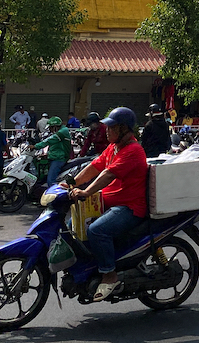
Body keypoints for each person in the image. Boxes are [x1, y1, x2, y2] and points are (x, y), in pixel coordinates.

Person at [61, 107, 149, 302]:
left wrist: (85, 192)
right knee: (71, 227)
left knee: (97, 230)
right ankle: (91, 267)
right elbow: (95, 166)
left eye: (111, 127)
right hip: (108, 202)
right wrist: (72, 183)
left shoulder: (133, 150)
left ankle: (110, 275)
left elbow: (107, 174)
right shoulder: (113, 147)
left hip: (129, 207)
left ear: (124, 129)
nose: (107, 131)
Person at [35, 116, 72, 185]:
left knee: (51, 181)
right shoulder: (60, 132)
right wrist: (48, 154)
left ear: (55, 126)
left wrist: (35, 146)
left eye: (51, 128)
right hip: (55, 157)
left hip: (59, 159)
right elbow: (55, 146)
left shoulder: (62, 132)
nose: (50, 129)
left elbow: (48, 141)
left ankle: (52, 195)